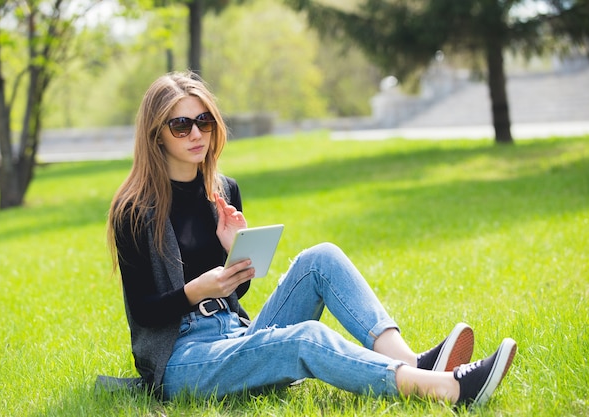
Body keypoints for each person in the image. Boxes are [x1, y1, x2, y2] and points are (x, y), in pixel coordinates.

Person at [106, 71, 517, 407]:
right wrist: (195, 291)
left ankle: (415, 362)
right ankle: (448, 390)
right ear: (156, 134)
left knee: (322, 257)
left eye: (204, 121)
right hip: (185, 360)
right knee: (304, 339)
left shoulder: (223, 189)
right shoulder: (133, 210)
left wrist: (235, 255)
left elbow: (238, 291)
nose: (196, 133)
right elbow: (143, 313)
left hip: (235, 332)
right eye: (181, 125)